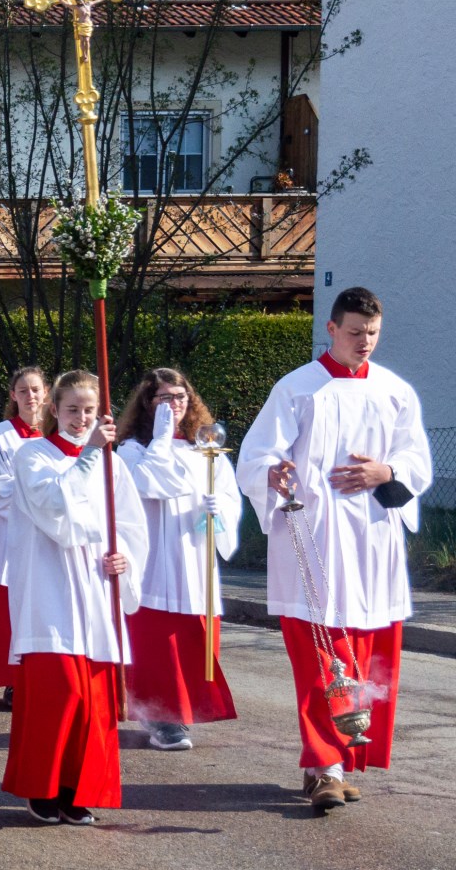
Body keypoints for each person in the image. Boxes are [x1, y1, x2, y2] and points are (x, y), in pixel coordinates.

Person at [236, 287, 431, 810]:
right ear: (331, 329)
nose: (363, 342)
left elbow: (416, 460)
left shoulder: (395, 391)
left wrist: (385, 471)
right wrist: (272, 474)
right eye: (353, 332)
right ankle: (324, 766)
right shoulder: (299, 389)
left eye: (371, 333)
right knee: (322, 657)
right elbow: (254, 458)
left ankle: (345, 757)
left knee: (365, 656)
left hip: (372, 543)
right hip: (314, 541)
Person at [3, 370, 147, 826]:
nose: (81, 418)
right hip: (50, 586)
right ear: (54, 410)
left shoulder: (114, 464)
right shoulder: (33, 456)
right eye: (71, 410)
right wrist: (86, 457)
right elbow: (53, 512)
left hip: (95, 587)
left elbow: (130, 525)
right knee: (58, 691)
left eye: (88, 410)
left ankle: (75, 789)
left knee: (93, 698)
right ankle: (40, 787)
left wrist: (122, 557)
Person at [116, 368, 241, 752]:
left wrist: (219, 512)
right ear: (147, 404)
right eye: (165, 399)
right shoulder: (132, 450)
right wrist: (160, 440)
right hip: (155, 557)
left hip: (194, 553)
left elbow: (229, 496)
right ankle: (157, 713)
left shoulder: (205, 448)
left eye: (180, 397)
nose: (174, 405)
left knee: (194, 637)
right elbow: (154, 483)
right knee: (156, 640)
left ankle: (184, 709)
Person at [0, 366, 48, 703]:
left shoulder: (57, 434)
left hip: (48, 538)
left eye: (36, 389)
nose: (30, 396)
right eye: (23, 390)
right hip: (11, 537)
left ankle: (40, 673)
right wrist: (44, 500)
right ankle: (14, 680)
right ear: (13, 395)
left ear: (46, 393)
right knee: (10, 612)